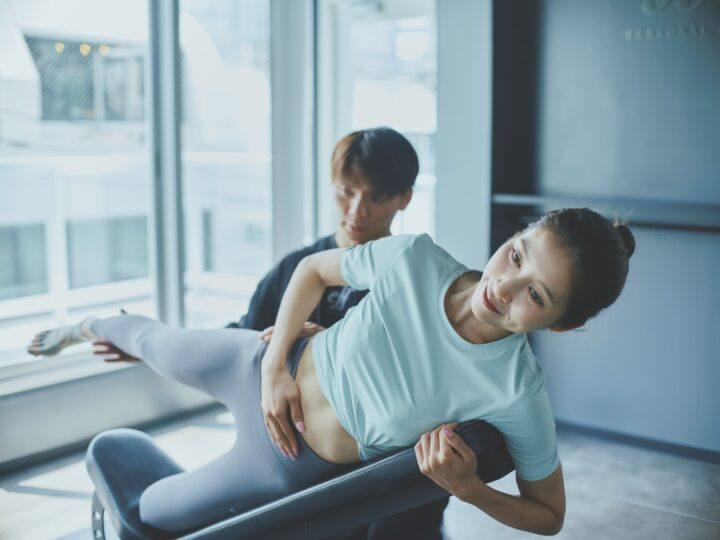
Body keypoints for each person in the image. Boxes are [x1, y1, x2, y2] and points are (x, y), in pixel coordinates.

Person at [28, 207, 636, 536]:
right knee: (154, 342)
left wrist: (471, 490)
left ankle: (139, 459)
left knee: (149, 517)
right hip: (266, 366)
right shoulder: (416, 258)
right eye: (517, 254)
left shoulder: (516, 392)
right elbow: (315, 271)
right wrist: (274, 362)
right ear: (516, 234)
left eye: (537, 294)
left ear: (561, 325)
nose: (504, 285)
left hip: (287, 461)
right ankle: (90, 325)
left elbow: (550, 518)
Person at [89, 126, 451, 539]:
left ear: (405, 198)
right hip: (287, 463)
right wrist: (150, 347)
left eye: (376, 197)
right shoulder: (295, 269)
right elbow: (241, 338)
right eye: (345, 191)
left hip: (370, 470)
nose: (356, 211)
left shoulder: (414, 283)